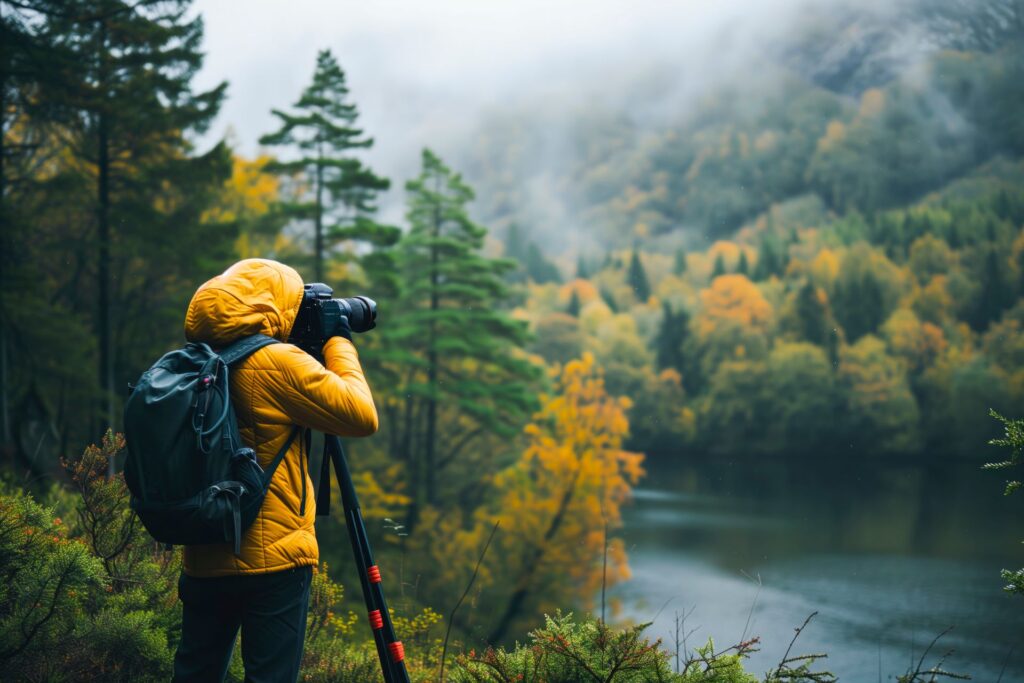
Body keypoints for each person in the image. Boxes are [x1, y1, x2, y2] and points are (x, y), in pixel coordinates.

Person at [171, 258, 378, 683]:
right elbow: (361, 415)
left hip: (204, 549)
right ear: (272, 306)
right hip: (275, 560)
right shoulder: (277, 362)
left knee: (195, 674)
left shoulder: (191, 361)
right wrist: (337, 338)